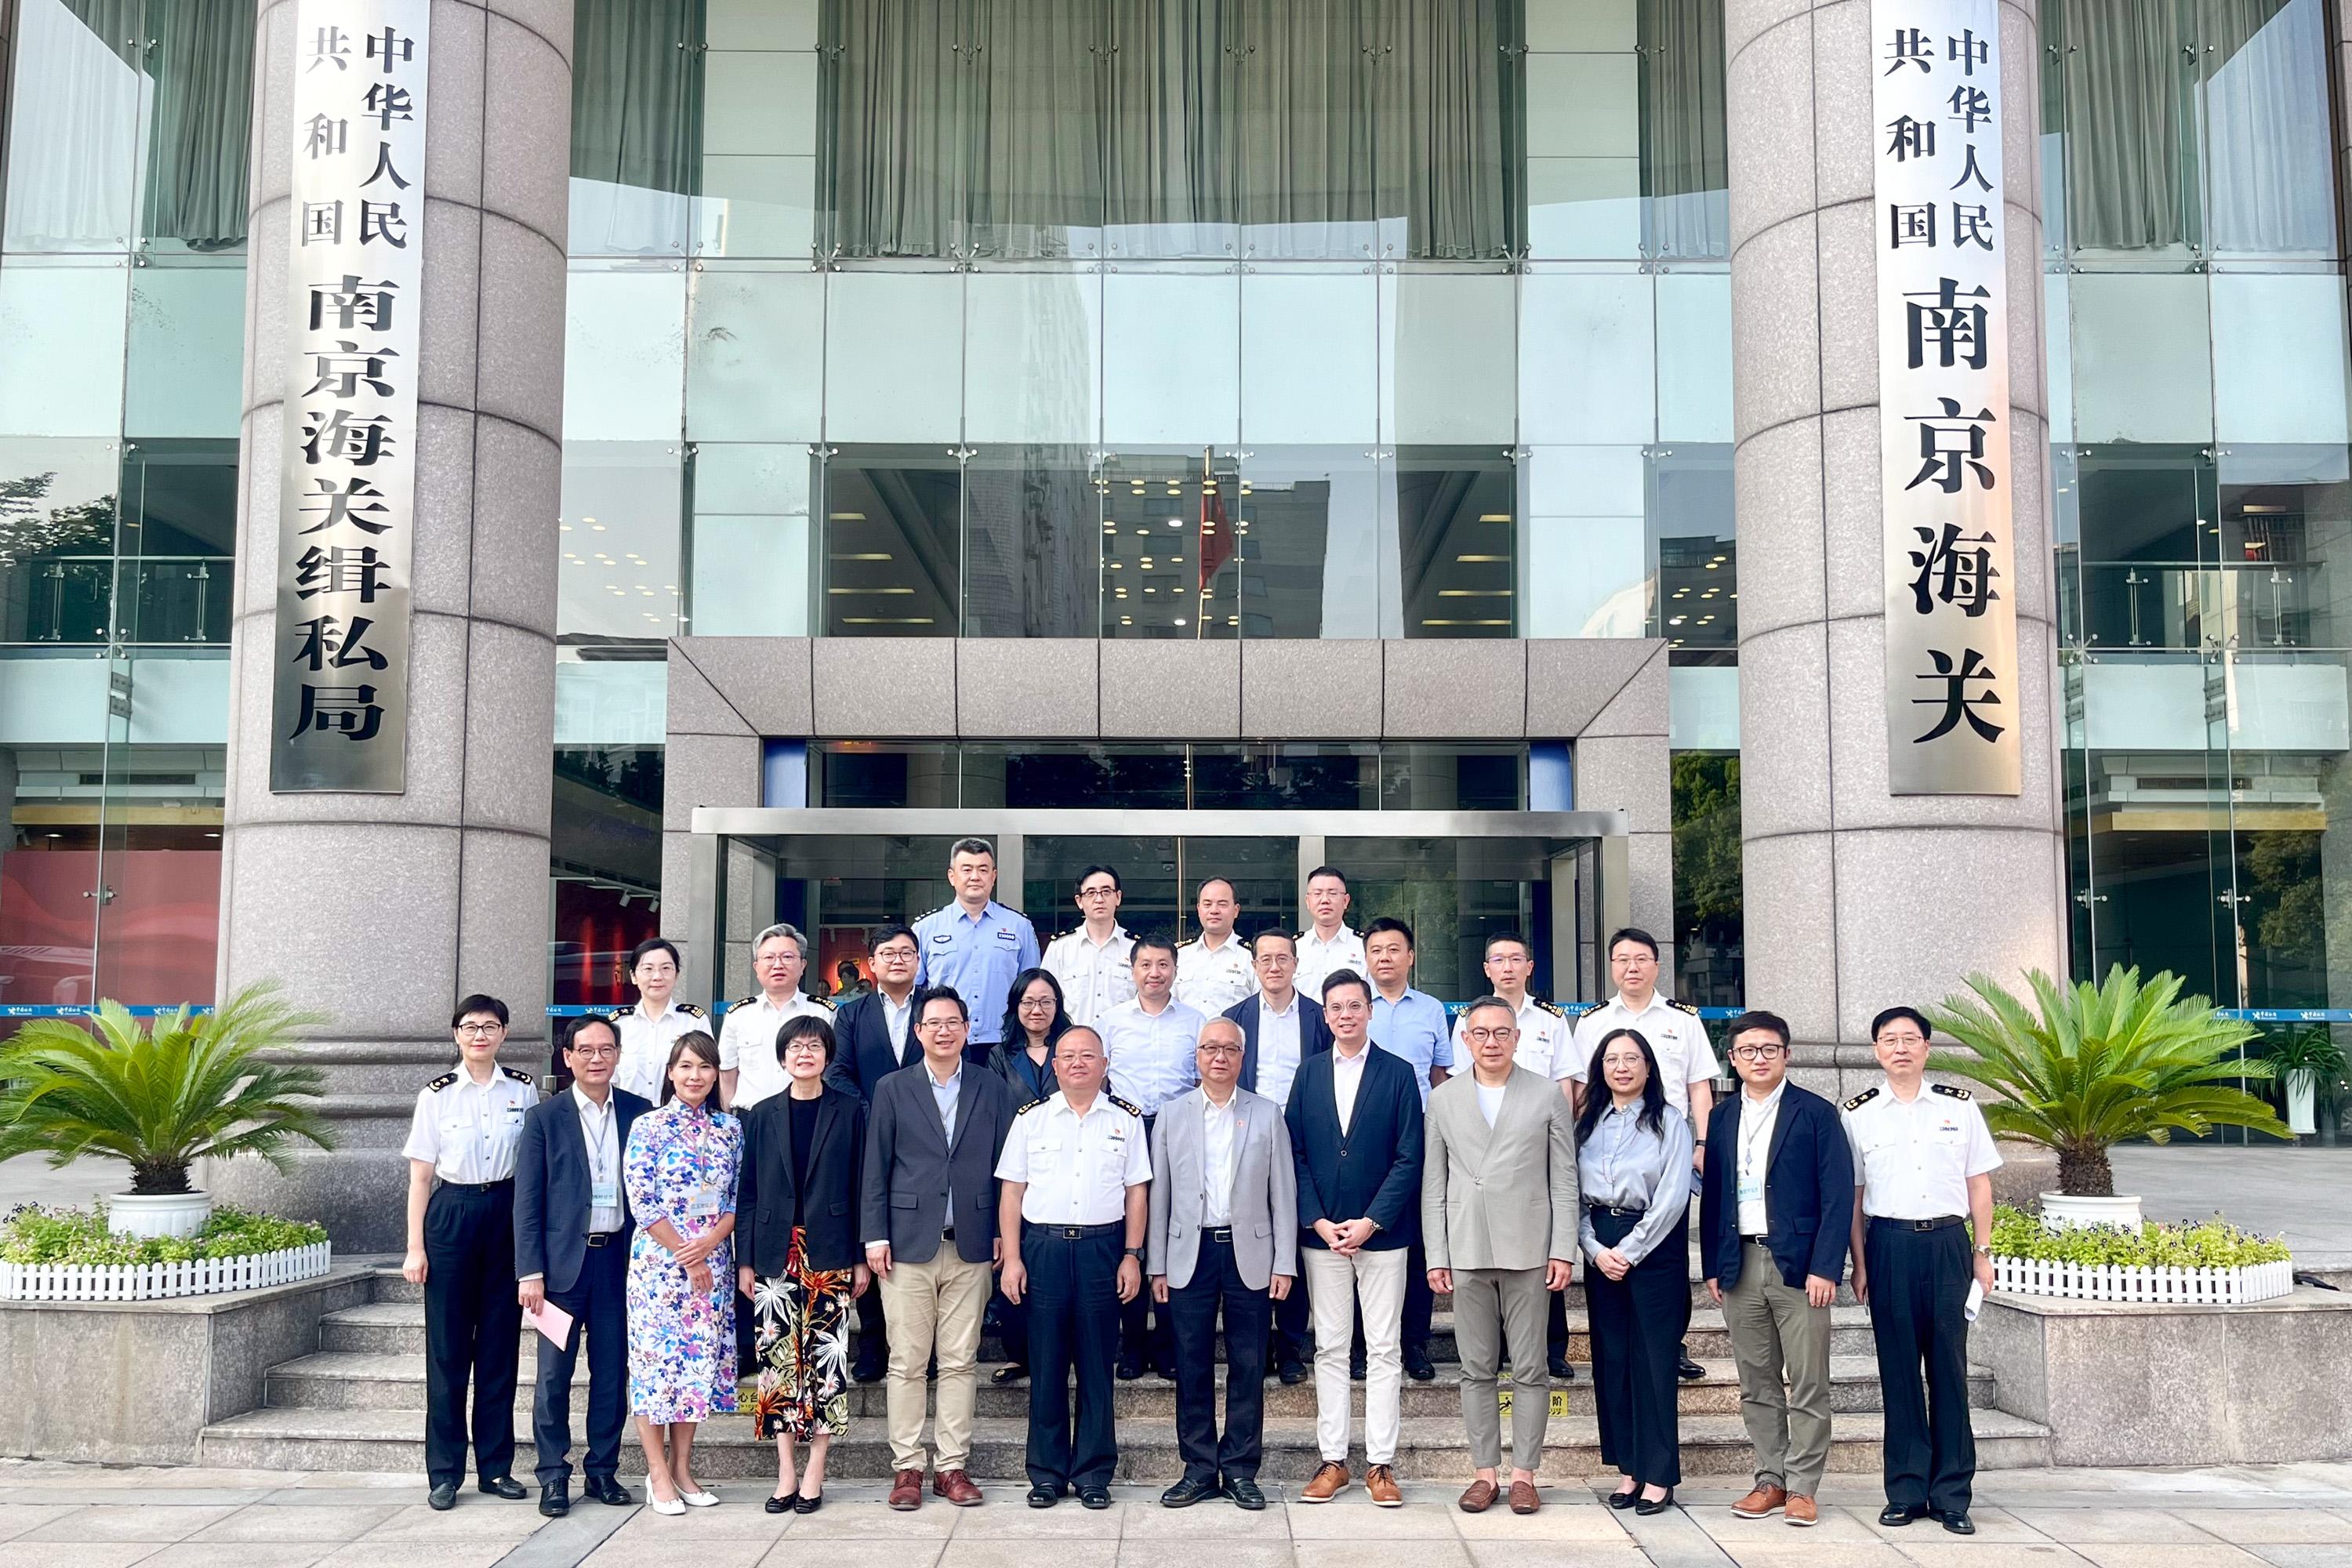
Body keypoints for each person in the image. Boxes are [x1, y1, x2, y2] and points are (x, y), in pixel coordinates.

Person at [1845, 1005, 2001, 1537]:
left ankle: (1953, 1494)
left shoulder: (1958, 1107)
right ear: (1877, 1051)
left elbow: (1979, 1184)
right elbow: (1856, 1195)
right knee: (1898, 1372)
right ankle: (1907, 1490)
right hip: (1888, 1246)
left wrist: (1983, 1252)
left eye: (1911, 1039)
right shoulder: (1859, 1113)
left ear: (1927, 1049)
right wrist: (1860, 1263)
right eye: (1890, 1040)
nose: (1901, 1048)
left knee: (1949, 1371)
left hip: (1947, 1245)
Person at [862, 985, 1018, 1510]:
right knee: (906, 1361)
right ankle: (907, 1466)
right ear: (919, 1031)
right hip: (906, 1244)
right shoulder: (892, 1087)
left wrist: (1002, 1228)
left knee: (959, 1360)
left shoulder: (990, 1087)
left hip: (972, 1243)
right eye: (935, 1023)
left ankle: (952, 1466)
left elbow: (1006, 1167)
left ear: (968, 1029)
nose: (945, 1030)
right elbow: (875, 1166)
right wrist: (874, 1233)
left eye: (954, 1022)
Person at [1424, 996, 1580, 1516]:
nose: (1491, 1042)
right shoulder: (1444, 1100)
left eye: (1501, 1033)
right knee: (1476, 1367)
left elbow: (1563, 1175)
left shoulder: (1545, 1095)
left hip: (1529, 1246)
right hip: (1466, 1247)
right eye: (1481, 1033)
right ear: (1465, 1040)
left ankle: (1524, 1474)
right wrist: (1436, 1254)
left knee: (1532, 1367)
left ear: (1516, 1038)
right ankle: (1484, 1473)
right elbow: (1434, 1185)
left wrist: (1563, 1248)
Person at [1700, 1010, 1853, 1530]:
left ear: (1786, 1054)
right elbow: (1714, 1196)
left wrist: (1826, 1267)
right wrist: (1715, 1266)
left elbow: (1837, 1196)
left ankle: (1804, 1487)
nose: (1758, 1058)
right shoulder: (1721, 1117)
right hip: (1739, 1262)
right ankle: (1770, 1479)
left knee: (1808, 1381)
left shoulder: (1814, 1113)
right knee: (1756, 1381)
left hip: (1799, 1266)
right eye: (1747, 1050)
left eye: (1768, 1049)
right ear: (1733, 1058)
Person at [995, 1027, 1150, 1511]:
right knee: (1046, 1364)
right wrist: (1014, 1258)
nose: (1078, 1063)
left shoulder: (1126, 1120)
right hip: (1043, 1250)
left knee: (1097, 1365)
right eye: (1068, 1056)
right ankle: (1046, 1473)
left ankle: (1093, 1473)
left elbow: (1136, 1194)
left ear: (1105, 1064)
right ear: (1055, 1066)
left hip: (1103, 1250)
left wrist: (1132, 1255)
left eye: (1089, 1055)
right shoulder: (1031, 1120)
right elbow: (1012, 1193)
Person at [1287, 969, 1424, 1508]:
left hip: (1383, 1236)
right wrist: (1317, 1220)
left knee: (1385, 1348)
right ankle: (1333, 1461)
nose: (1345, 1015)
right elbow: (1293, 1153)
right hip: (1323, 1236)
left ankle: (1382, 1465)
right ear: (1325, 1016)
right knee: (1331, 1346)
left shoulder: (1396, 1073)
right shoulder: (1309, 1073)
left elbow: (1410, 1155)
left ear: (1370, 1011)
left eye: (1354, 1006)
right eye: (1335, 1008)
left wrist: (1372, 1221)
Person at [1148, 1018, 1298, 1510]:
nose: (1219, 1057)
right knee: (1190, 1364)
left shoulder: (1266, 1113)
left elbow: (1284, 1195)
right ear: (1197, 1055)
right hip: (1188, 1254)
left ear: (1242, 1056)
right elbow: (1160, 1197)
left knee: (1249, 1364)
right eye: (1210, 1048)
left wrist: (1284, 1262)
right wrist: (1157, 1265)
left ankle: (1238, 1469)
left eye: (1230, 1049)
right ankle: (1197, 1469)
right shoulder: (1171, 1116)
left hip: (1249, 1254)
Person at [402, 995, 540, 1512]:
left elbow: (533, 1167)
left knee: (500, 1350)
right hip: (452, 1214)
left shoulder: (524, 1091)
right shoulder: (436, 1095)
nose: (479, 1035)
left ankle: (497, 1468)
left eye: (490, 1026)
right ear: (456, 1034)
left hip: (505, 1212)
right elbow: (420, 1176)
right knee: (447, 1351)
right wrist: (415, 1247)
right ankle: (444, 1472)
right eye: (470, 1027)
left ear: (504, 1033)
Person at [514, 1012, 648, 1517]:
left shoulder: (639, 1112)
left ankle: (602, 1472)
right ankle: (552, 1475)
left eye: (606, 1049)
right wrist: (530, 1272)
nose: (597, 1058)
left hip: (618, 1262)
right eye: (585, 1050)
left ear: (617, 1055)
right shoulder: (545, 1118)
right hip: (559, 1271)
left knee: (612, 1374)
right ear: (567, 1058)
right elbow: (526, 1202)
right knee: (553, 1377)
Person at [1569, 927, 1719, 1381]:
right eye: (1621, 960)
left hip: (1664, 1150)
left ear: (1657, 965)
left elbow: (1698, 1087)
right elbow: (1581, 1091)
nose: (1631, 968)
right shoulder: (1593, 1022)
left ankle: (1671, 1342)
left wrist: (1703, 1144)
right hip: (1609, 1147)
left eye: (1640, 959)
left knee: (1668, 1255)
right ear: (1611, 966)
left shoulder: (1683, 1020)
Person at [736, 1015, 869, 1516]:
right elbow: (747, 1194)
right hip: (773, 1253)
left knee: (826, 1363)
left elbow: (861, 1187)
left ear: (828, 1055)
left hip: (830, 1250)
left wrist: (860, 1256)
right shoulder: (763, 1114)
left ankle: (816, 1471)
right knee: (777, 1365)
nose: (805, 1054)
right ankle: (786, 1472)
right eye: (795, 1047)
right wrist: (744, 1261)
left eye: (814, 1046)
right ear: (782, 1056)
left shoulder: (851, 1111)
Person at [622, 1031, 740, 1516]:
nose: (696, 1076)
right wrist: (688, 1255)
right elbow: (642, 1201)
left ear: (716, 1074)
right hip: (660, 1267)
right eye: (686, 1067)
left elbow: (734, 1200)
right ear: (671, 1072)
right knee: (656, 1367)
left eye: (705, 1067)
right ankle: (657, 1473)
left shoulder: (729, 1128)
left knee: (694, 1368)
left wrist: (710, 1245)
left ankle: (684, 1468)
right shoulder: (647, 1127)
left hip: (714, 1262)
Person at [1449, 931, 1577, 1376]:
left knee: (1537, 1259)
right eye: (1497, 960)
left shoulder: (1551, 1020)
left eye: (1515, 958)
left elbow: (1565, 1083)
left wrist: (1560, 1137)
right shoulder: (1469, 1021)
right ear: (1486, 968)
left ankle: (1552, 1349)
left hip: (1535, 1139)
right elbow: (1459, 1085)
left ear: (1530, 966)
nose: (1507, 967)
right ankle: (1498, 1351)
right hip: (1484, 1145)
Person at [1577, 1027, 1694, 1516]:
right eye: (1611, 1059)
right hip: (1599, 1247)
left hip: (1653, 1249)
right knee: (1614, 1361)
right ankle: (1628, 1467)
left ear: (1649, 1067)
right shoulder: (1587, 1122)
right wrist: (1592, 1246)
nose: (1621, 1067)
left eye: (1631, 1059)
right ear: (1600, 1069)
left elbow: (1671, 1197)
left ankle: (1659, 1475)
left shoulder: (1670, 1122)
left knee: (1653, 1361)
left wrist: (1629, 1250)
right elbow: (1571, 1192)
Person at [1222, 931, 1332, 1382]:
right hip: (1248, 1133)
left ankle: (1289, 1346)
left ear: (1295, 963)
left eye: (1282, 958)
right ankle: (1256, 1344)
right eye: (1264, 959)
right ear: (1254, 965)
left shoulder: (1318, 1017)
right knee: (1251, 1236)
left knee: (1293, 1231)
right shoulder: (1236, 1017)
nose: (1273, 967)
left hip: (1303, 1134)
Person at [1097, 933, 1206, 1378]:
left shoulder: (1197, 1021)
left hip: (1178, 1128)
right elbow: (1100, 1080)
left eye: (1163, 965)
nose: (1154, 973)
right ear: (1133, 969)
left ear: (1175, 971)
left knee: (1173, 1232)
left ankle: (1168, 1345)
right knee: (1131, 1236)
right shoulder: (1110, 1020)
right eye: (1146, 965)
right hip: (1126, 1128)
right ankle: (1132, 1345)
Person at [826, 922, 923, 1381]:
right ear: (873, 963)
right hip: (869, 1138)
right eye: (889, 953)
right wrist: (875, 1113)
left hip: (930, 1142)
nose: (898, 959)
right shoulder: (852, 1015)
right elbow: (838, 1072)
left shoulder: (935, 1007)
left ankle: (927, 1347)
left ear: (918, 960)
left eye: (907, 952)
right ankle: (874, 1344)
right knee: (873, 1235)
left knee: (920, 1238)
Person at [1363, 916, 1452, 1381]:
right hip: (1360, 1140)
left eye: (1394, 949)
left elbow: (1441, 1078)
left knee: (1417, 1243)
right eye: (1376, 950)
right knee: (1364, 1241)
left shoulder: (1432, 1009)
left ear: (1411, 956)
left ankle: (1414, 1342)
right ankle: (1363, 1343)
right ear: (1366, 957)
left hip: (1417, 1137)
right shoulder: (1355, 1007)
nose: (1385, 958)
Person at [984, 968, 1074, 1387]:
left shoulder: (1072, 1048)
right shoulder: (999, 1055)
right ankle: (1020, 1354)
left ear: (1058, 1006)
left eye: (1046, 1002)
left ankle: (1066, 1353)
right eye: (1028, 1003)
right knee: (1013, 1263)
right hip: (1015, 1169)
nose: (1037, 1010)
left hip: (1069, 1169)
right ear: (1015, 1008)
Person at [914, 837, 1041, 1063]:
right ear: (952, 876)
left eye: (983, 869)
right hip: (944, 1042)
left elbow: (1032, 989)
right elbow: (914, 992)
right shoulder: (925, 929)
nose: (975, 876)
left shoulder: (1019, 926)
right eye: (967, 869)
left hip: (1004, 1042)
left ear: (994, 876)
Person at [720, 923, 833, 1111]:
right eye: (769, 958)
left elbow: (831, 1071)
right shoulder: (738, 1015)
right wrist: (727, 1121)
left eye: (787, 957)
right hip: (751, 1119)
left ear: (803, 965)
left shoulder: (823, 1013)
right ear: (756, 967)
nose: (778, 964)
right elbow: (727, 1076)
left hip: (808, 1114)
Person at [613, 938, 708, 1104]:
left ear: (676, 974)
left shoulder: (694, 1022)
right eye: (648, 969)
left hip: (679, 1120)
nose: (657, 977)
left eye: (666, 968)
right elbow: (609, 1080)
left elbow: (706, 1074)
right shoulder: (619, 1024)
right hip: (628, 1118)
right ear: (634, 976)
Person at [1041, 865, 1134, 1026]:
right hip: (1072, 1046)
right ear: (1079, 901)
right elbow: (1045, 1000)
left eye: (1106, 892)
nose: (1099, 899)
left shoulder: (1135, 949)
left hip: (1123, 1045)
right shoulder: (1060, 948)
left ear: (1118, 897)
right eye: (1091, 893)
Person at [1174, 877, 1255, 1015]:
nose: (1214, 910)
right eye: (1207, 904)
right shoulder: (1179, 955)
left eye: (1222, 904)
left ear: (1236, 910)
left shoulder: (1251, 957)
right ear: (1199, 909)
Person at [1291, 866, 1367, 1001]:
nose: (1325, 900)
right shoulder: (1294, 948)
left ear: (1346, 901)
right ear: (1308, 901)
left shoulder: (1364, 947)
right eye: (1318, 893)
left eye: (1332, 893)